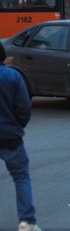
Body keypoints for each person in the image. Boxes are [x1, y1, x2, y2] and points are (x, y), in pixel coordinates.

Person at [0, 43, 41, 231]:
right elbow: (24, 108)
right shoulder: (13, 76)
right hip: (10, 136)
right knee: (21, 177)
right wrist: (18, 125)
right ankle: (26, 222)